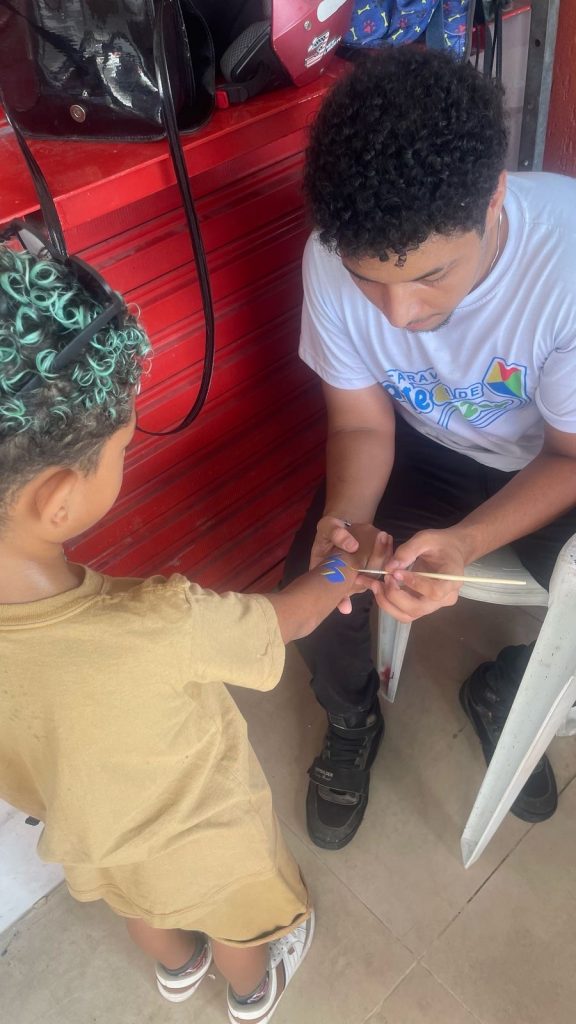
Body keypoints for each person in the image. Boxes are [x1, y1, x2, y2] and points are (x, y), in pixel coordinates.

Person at [0, 235, 390, 1022]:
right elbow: (290, 616)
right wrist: (347, 569)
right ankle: (251, 989)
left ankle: (179, 970)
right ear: (58, 500)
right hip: (204, 840)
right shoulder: (157, 621)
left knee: (141, 907)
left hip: (95, 846)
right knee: (239, 914)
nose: (126, 452)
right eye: (122, 445)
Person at [283, 47, 576, 851]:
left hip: (548, 464)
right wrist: (348, 521)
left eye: (431, 276)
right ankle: (350, 719)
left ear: (495, 198)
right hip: (421, 444)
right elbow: (362, 424)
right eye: (369, 280)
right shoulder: (329, 255)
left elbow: (568, 456)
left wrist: (467, 543)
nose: (399, 313)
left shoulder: (567, 261)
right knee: (322, 585)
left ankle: (507, 687)